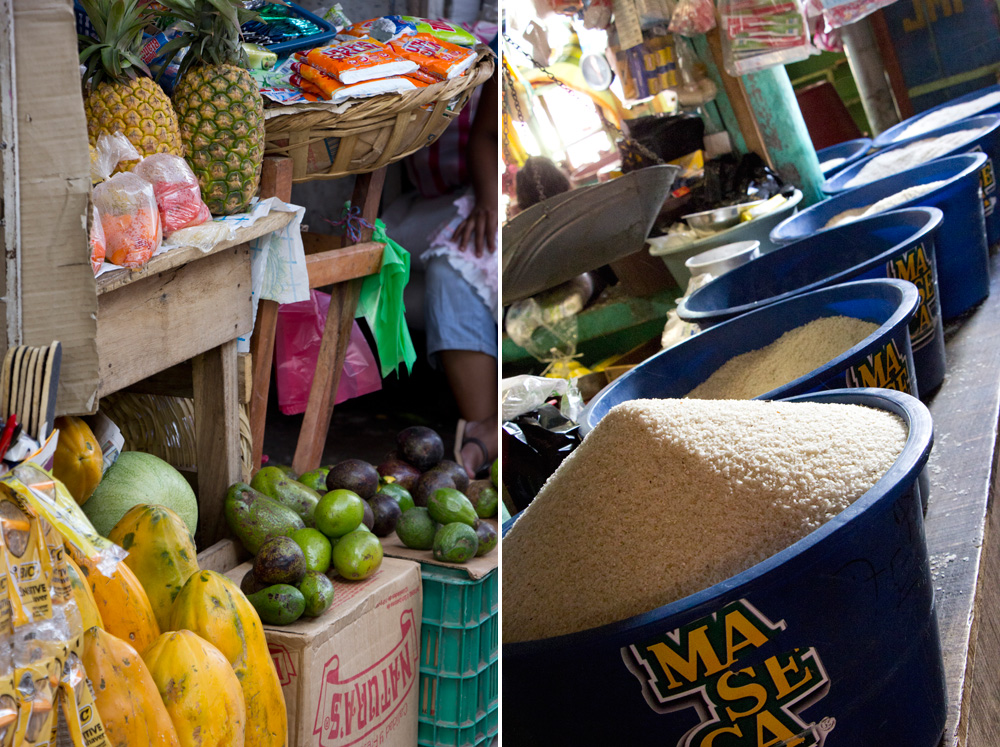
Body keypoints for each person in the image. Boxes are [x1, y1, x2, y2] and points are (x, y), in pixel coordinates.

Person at [424, 63, 499, 478]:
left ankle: (488, 438)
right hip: (492, 193)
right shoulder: (503, 51)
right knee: (452, 264)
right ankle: (482, 431)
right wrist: (489, 201)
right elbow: (485, 136)